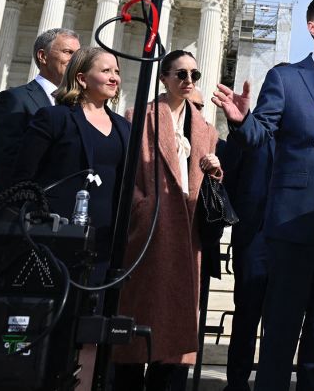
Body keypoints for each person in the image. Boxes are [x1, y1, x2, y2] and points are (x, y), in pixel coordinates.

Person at [212, 0, 314, 391]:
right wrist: (240, 121)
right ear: (313, 27)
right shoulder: (286, 78)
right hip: (294, 224)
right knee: (280, 336)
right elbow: (259, 136)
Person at [0, 28, 80, 391]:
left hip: (53, 234)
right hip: (12, 227)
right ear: (43, 57)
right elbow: (7, 165)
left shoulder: (74, 109)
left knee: (37, 320)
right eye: (68, 52)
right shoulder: (16, 100)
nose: (75, 60)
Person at [110, 50, 223, 391]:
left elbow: (205, 183)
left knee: (177, 330)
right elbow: (125, 174)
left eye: (194, 75)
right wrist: (142, 207)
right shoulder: (139, 117)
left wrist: (215, 171)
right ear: (164, 78)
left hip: (187, 233)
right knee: (137, 321)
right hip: (149, 229)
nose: (189, 81)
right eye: (181, 74)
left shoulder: (206, 129)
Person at [12, 46, 129, 277]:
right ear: (82, 78)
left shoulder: (124, 127)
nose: (114, 77)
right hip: (54, 234)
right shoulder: (54, 118)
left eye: (116, 71)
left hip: (105, 240)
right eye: (106, 70)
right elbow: (23, 176)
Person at [217, 65, 281, 391]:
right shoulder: (247, 129)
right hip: (254, 238)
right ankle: (237, 384)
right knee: (246, 316)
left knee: (279, 320)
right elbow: (229, 179)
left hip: (292, 240)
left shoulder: (307, 133)